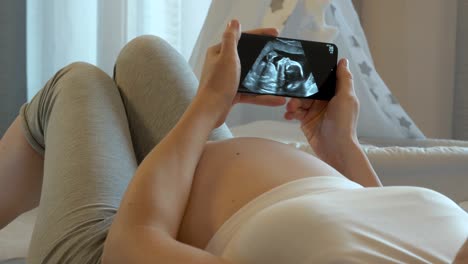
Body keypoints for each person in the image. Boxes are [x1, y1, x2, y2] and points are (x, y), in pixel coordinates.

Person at [0, 20, 467, 264]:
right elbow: (378, 227)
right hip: (185, 174)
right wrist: (339, 144)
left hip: (111, 245)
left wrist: (208, 108)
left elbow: (132, 247)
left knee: (79, 84)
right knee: (148, 54)